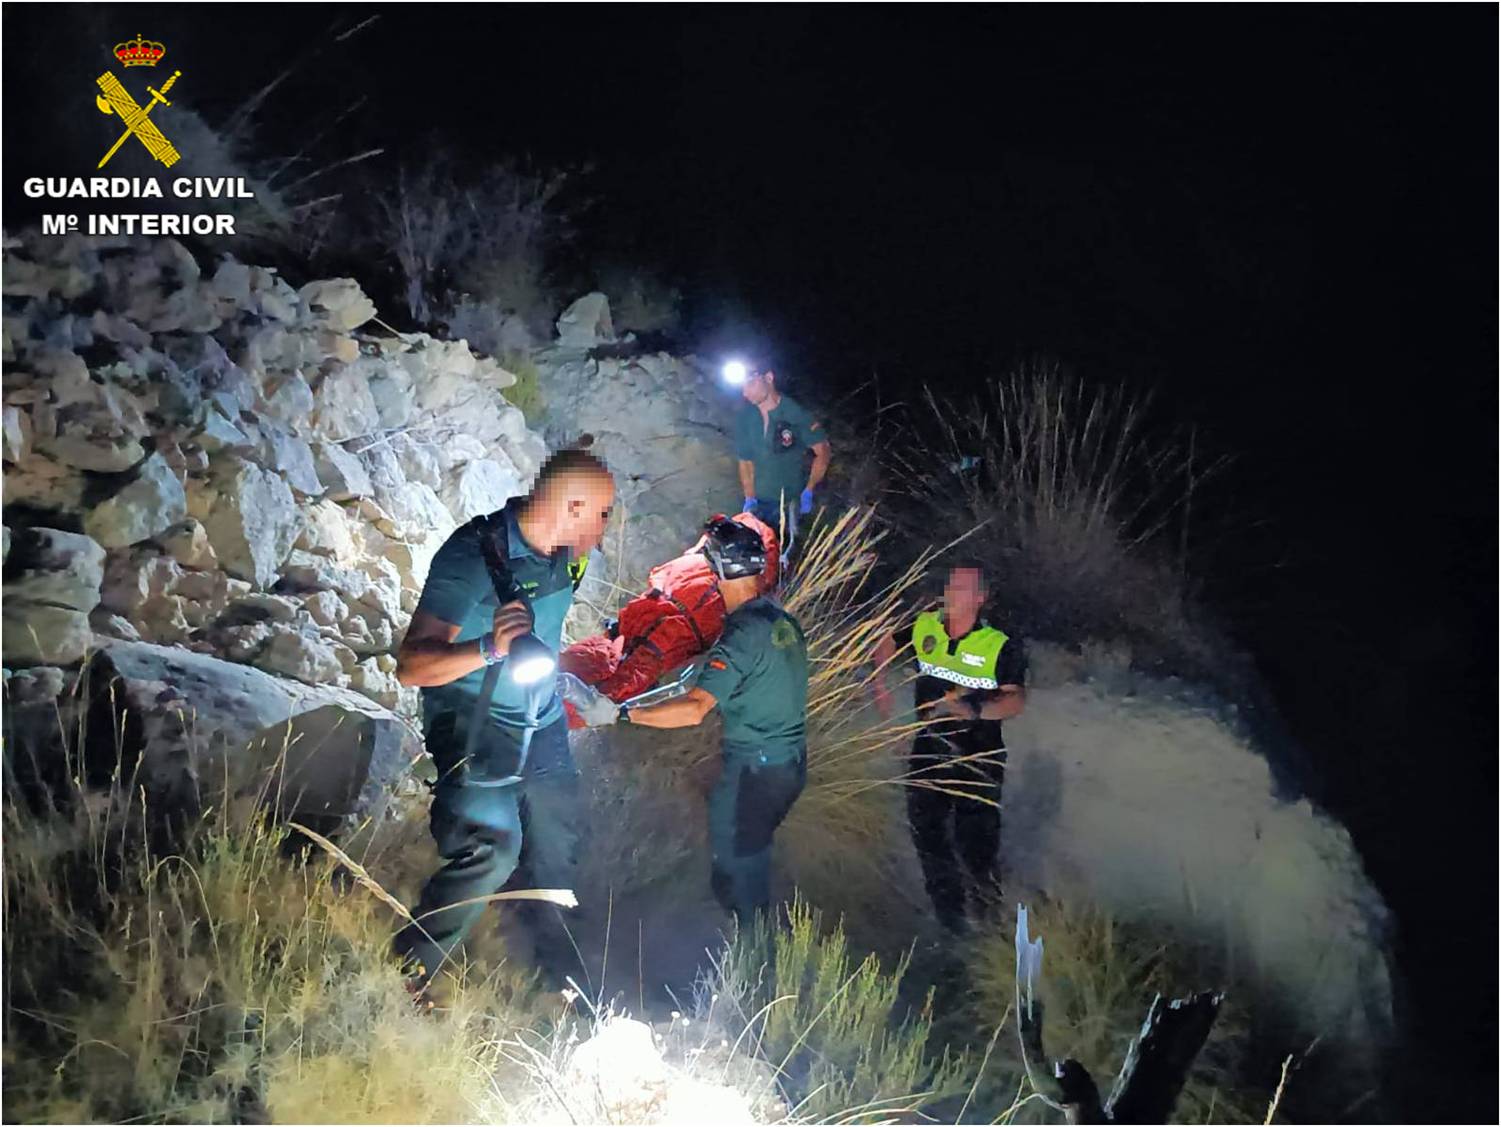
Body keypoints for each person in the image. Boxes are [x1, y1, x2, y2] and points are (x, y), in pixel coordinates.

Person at [393, 449, 615, 989]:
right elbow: (411, 667)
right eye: (602, 514)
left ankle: (551, 963)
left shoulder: (567, 555)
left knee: (559, 837)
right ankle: (408, 972)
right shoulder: (472, 557)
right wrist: (489, 648)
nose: (606, 528)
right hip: (476, 720)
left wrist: (572, 680)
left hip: (540, 721)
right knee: (492, 847)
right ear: (572, 504)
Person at [565, 516, 809, 924]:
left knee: (738, 873)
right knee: (747, 857)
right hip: (787, 763)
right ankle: (749, 936)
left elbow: (695, 708)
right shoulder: (779, 620)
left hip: (756, 768)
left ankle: (754, 963)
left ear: (722, 572)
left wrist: (619, 714)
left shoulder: (740, 634)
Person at [873, 563, 1027, 934]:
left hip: (979, 755)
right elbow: (887, 642)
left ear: (980, 598)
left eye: (962, 587)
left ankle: (988, 920)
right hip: (928, 751)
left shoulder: (999, 644)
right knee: (928, 837)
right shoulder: (927, 628)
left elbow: (1016, 700)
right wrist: (882, 689)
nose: (951, 592)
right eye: (950, 585)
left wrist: (974, 709)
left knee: (976, 846)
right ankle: (951, 922)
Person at [732, 364, 831, 562]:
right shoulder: (746, 417)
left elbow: (823, 451)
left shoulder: (795, 414)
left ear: (769, 377)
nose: (745, 393)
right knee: (752, 557)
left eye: (751, 384)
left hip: (787, 500)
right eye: (742, 387)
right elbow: (745, 460)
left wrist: (809, 489)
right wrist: (749, 498)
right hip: (759, 500)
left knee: (783, 556)